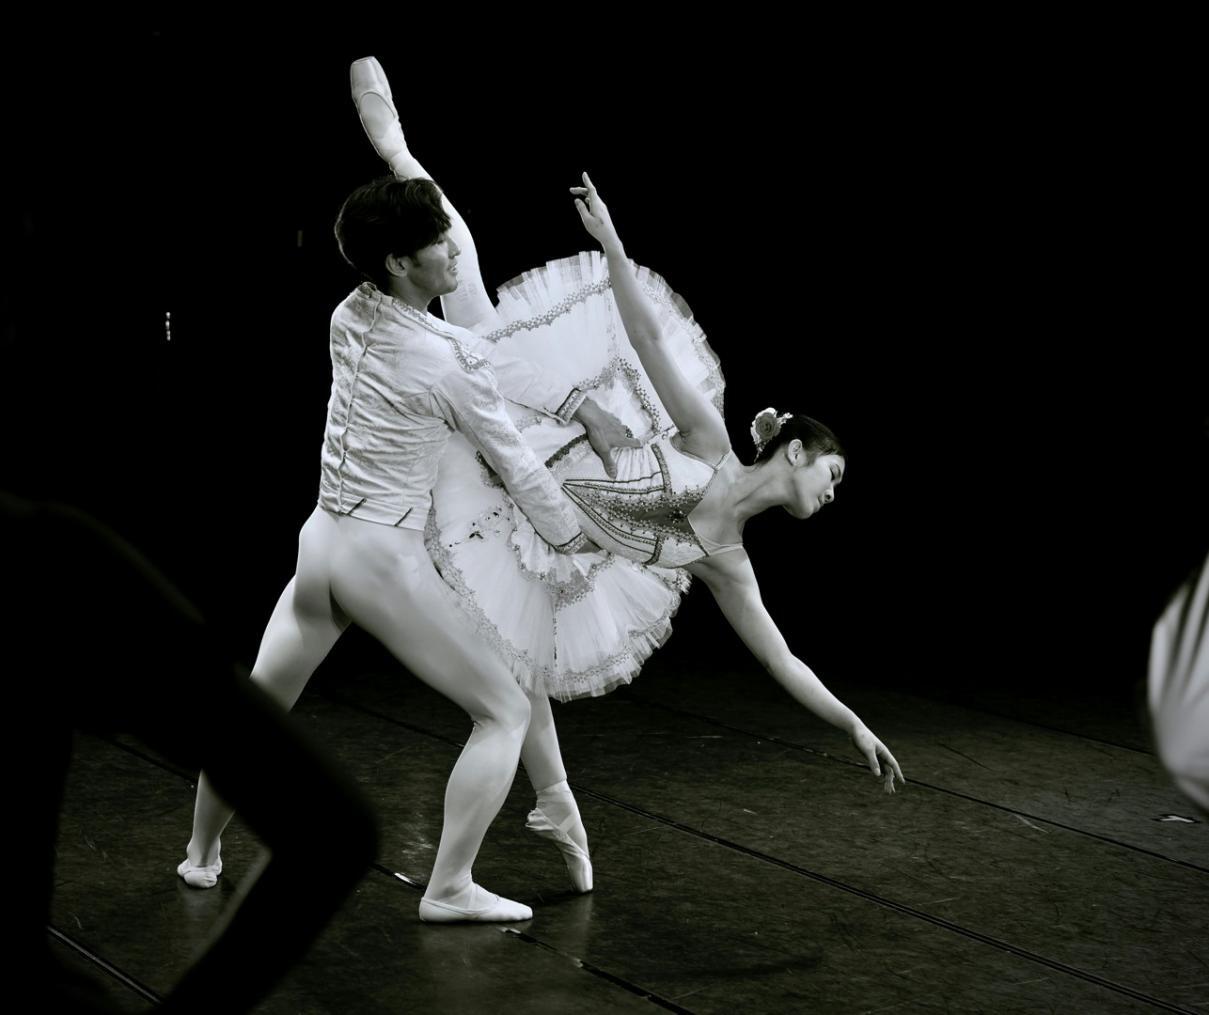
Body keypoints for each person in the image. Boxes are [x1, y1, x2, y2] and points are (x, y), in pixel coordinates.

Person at [352, 57, 905, 899]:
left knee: (520, 663)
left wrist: (851, 721)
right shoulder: (708, 439)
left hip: (540, 524)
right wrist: (611, 244)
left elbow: (782, 659)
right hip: (530, 431)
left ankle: (558, 807)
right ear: (793, 448)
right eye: (832, 470)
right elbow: (646, 338)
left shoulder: (728, 562)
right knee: (463, 283)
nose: (833, 490)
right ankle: (400, 154)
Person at [178, 62, 638, 924]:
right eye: (442, 246)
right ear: (400, 260)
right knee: (502, 706)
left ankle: (200, 855)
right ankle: (451, 885)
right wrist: (576, 535)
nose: (458, 250)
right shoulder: (449, 360)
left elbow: (425, 220)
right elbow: (514, 462)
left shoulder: (349, 314)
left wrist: (386, 134)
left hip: (321, 545)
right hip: (380, 560)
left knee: (254, 711)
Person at [5, 490, 377, 1013]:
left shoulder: (46, 551)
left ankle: (201, 853)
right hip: (373, 545)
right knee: (503, 709)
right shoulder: (46, 554)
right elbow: (335, 829)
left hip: (331, 537)